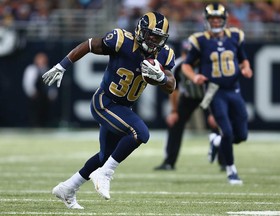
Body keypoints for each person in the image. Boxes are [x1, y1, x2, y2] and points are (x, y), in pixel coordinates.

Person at [42, 11, 176, 209]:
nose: (154, 42)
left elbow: (172, 85)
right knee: (140, 133)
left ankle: (67, 188)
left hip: (123, 107)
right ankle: (105, 173)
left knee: (105, 156)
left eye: (159, 38)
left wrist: (162, 78)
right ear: (140, 30)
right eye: (151, 35)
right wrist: (62, 66)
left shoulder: (164, 55)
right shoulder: (122, 40)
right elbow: (89, 44)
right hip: (104, 102)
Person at [182, 3, 253, 185]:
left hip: (234, 89)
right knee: (227, 132)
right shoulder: (200, 40)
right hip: (215, 92)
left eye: (218, 19)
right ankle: (231, 171)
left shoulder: (235, 36)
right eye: (212, 19)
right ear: (207, 20)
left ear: (224, 20)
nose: (215, 22)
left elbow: (243, 59)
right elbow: (186, 64)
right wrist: (194, 76)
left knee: (242, 135)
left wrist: (246, 68)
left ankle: (216, 140)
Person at [154, 40, 209, 170]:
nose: (186, 56)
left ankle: (225, 162)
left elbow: (214, 86)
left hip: (209, 96)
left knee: (220, 122)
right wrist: (174, 111)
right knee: (175, 124)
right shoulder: (179, 66)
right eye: (185, 53)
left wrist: (215, 112)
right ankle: (169, 162)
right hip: (189, 97)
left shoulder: (206, 65)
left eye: (190, 53)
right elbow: (174, 91)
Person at [22, 52, 57, 127]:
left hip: (45, 96)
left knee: (45, 112)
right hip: (36, 96)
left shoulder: (47, 69)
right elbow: (28, 82)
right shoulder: (32, 69)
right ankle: (35, 125)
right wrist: (32, 92)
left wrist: (51, 93)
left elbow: (51, 83)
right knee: (35, 112)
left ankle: (44, 125)